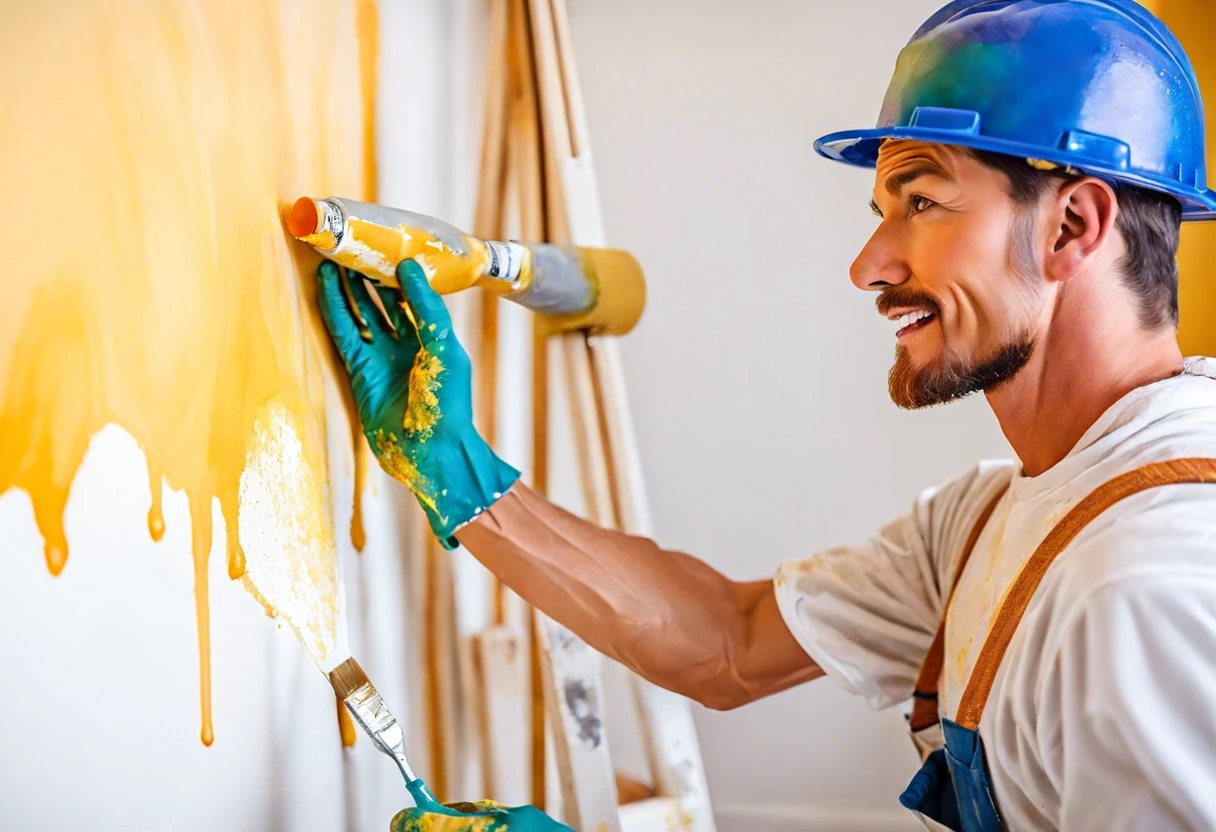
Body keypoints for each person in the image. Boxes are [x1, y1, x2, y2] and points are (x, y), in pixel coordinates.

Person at [317, 1, 1216, 829]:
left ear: (1072, 228)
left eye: (924, 202)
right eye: (883, 212)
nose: (868, 265)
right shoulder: (994, 519)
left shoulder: (1144, 590)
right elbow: (727, 644)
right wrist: (455, 468)